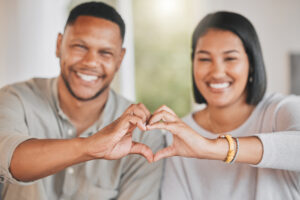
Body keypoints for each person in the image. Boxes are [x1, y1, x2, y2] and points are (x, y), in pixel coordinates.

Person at [0, 2, 164, 200]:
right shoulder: (14, 99)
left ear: (120, 59)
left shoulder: (143, 136)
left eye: (105, 53)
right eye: (79, 46)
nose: (90, 62)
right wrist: (89, 146)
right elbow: (8, 159)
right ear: (59, 45)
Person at [146, 11, 300, 199]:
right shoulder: (179, 137)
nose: (217, 72)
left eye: (230, 58)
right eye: (204, 59)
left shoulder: (281, 110)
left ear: (251, 63)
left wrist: (209, 147)